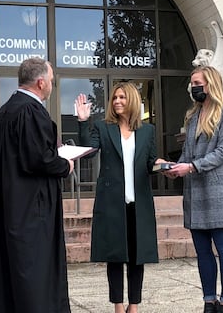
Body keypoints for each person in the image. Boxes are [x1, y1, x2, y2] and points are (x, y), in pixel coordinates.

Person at [0, 57, 74, 313]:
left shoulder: (4, 112)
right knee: (32, 272)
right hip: (30, 211)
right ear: (40, 82)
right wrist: (65, 164)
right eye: (51, 80)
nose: (51, 85)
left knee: (8, 271)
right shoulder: (31, 111)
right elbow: (38, 159)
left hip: (8, 207)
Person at [75, 82, 159, 313]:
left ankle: (134, 306)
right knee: (114, 256)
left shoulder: (148, 131)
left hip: (138, 203)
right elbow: (87, 151)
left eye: (122, 97)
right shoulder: (104, 128)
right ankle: (118, 306)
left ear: (131, 100)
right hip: (112, 203)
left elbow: (151, 162)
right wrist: (83, 121)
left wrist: (162, 165)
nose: (117, 101)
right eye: (115, 98)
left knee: (136, 257)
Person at [163, 65, 223, 313]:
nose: (193, 87)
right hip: (195, 193)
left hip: (219, 192)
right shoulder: (193, 117)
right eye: (192, 83)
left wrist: (192, 167)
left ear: (211, 85)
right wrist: (173, 167)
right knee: (202, 251)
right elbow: (187, 154)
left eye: (198, 83)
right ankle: (209, 301)